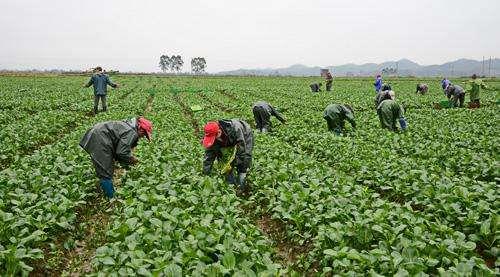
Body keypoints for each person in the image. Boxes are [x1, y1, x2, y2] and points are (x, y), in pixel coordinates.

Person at [79, 117, 153, 198]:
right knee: (105, 172)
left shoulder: (128, 126)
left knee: (105, 167)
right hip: (100, 139)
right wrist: (132, 160)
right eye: (144, 134)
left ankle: (105, 189)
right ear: (140, 129)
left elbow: (118, 145)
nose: (142, 137)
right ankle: (111, 199)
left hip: (97, 133)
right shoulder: (132, 132)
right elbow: (122, 152)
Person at [202, 120, 253, 193]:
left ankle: (241, 188)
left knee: (244, 161)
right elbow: (209, 156)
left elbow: (242, 151)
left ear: (219, 132)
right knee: (224, 164)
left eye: (214, 137)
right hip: (228, 140)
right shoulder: (211, 134)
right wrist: (206, 173)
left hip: (244, 133)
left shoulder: (235, 130)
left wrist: (234, 163)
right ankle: (231, 188)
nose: (213, 139)